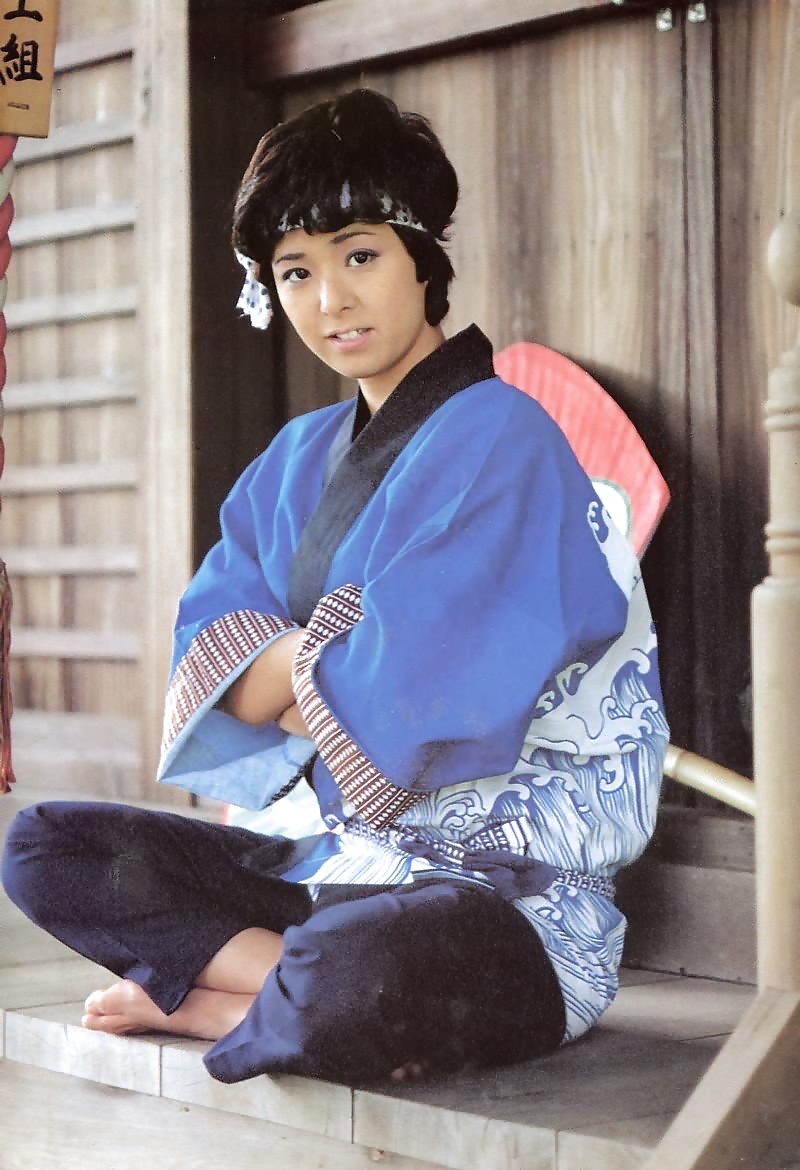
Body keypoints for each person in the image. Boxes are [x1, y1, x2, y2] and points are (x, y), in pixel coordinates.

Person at [2, 89, 668, 1086]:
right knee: (43, 846)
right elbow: (216, 667)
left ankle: (215, 999)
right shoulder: (294, 459)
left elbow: (413, 696)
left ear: (422, 258)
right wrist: (338, 642)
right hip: (334, 868)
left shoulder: (507, 439)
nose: (329, 302)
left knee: (353, 970)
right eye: (296, 272)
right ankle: (271, 997)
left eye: (358, 256)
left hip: (501, 908)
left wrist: (292, 657)